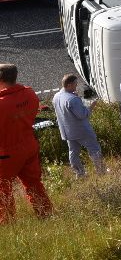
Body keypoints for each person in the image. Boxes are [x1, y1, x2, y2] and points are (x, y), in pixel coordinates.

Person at [0, 63, 53, 224]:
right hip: (28, 145)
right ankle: (46, 215)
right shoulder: (29, 93)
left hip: (7, 152)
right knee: (34, 184)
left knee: (3, 190)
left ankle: (7, 224)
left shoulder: (2, 103)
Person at [52, 74, 107, 178]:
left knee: (73, 152)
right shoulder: (73, 99)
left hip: (67, 131)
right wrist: (91, 106)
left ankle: (80, 173)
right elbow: (82, 115)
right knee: (94, 148)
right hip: (81, 130)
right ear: (69, 85)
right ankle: (101, 171)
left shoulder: (56, 96)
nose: (76, 86)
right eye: (75, 84)